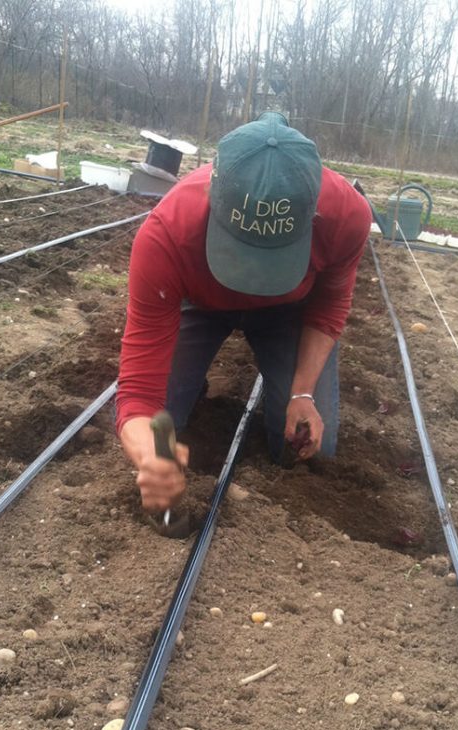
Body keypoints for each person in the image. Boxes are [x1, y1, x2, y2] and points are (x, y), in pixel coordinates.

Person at [115, 111, 372, 513]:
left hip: (287, 311)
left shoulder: (346, 215)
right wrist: (151, 454)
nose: (251, 277)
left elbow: (329, 306)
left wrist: (302, 391)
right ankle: (188, 388)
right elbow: (138, 393)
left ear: (313, 213)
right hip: (200, 304)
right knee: (160, 423)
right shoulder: (168, 234)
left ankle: (278, 392)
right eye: (242, 255)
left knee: (307, 452)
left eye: (270, 259)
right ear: (215, 202)